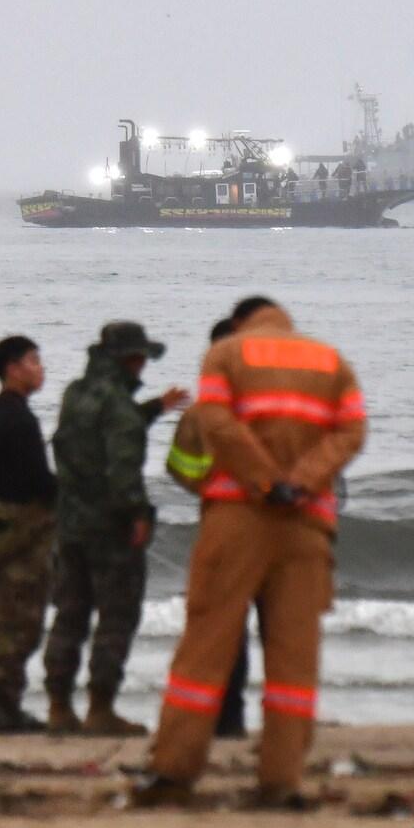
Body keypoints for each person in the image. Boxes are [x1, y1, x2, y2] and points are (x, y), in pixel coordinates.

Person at [133, 296, 367, 809]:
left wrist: (263, 482)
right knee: (294, 659)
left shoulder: (227, 356)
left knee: (206, 646)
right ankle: (281, 780)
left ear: (239, 324)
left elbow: (216, 423)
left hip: (238, 515)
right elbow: (353, 431)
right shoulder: (331, 361)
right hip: (307, 522)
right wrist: (301, 482)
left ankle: (174, 770)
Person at [43, 322, 189, 736]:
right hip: (108, 529)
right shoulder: (121, 407)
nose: (144, 366)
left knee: (70, 613)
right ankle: (100, 707)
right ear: (131, 359)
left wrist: (156, 407)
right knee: (116, 616)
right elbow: (122, 465)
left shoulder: (76, 393)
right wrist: (137, 514)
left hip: (70, 524)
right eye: (141, 358)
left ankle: (58, 706)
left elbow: (92, 436)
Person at [163, 316, 253, 739]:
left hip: (224, 527)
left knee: (227, 626)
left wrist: (209, 488)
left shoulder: (200, 415)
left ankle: (229, 717)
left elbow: (178, 469)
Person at [0, 336, 57, 733]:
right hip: (17, 528)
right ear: (13, 368)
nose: (40, 369)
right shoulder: (14, 417)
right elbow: (32, 479)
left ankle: (4, 703)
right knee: (17, 619)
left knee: (17, 618)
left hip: (0, 524)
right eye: (33, 361)